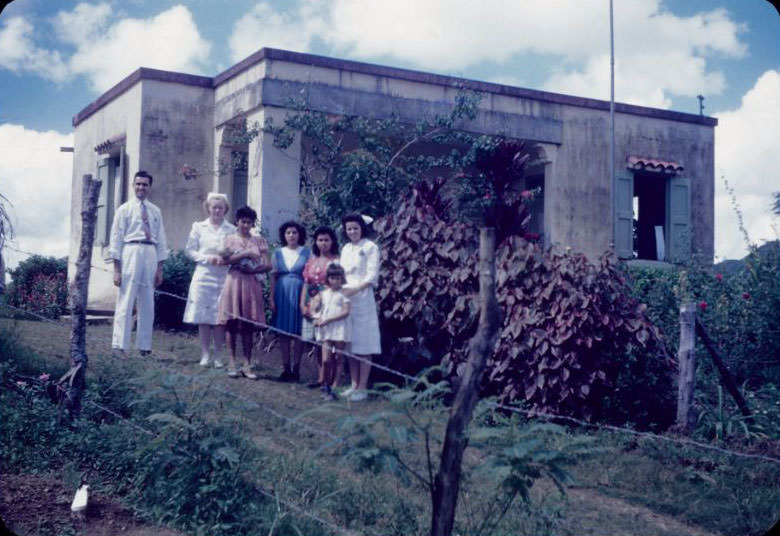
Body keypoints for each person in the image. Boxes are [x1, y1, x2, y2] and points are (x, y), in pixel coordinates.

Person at [108, 170, 168, 356]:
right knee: (126, 299)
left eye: (145, 184)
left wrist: (159, 268)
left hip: (150, 252)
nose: (141, 187)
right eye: (138, 184)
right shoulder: (124, 209)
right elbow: (116, 239)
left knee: (147, 300)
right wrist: (116, 269)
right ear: (133, 185)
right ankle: (119, 345)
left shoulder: (155, 211)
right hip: (131, 251)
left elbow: (161, 240)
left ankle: (144, 346)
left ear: (150, 187)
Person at [217, 206, 271, 379]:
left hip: (251, 283)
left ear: (253, 223)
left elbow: (268, 265)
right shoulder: (229, 239)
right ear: (237, 222)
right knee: (231, 322)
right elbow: (224, 261)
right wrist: (245, 254)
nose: (246, 225)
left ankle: (247, 364)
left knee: (248, 324)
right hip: (234, 281)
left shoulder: (259, 241)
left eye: (249, 222)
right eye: (243, 222)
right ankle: (232, 362)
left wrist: (253, 270)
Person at [182, 193, 236, 368]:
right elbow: (189, 251)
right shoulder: (199, 227)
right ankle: (205, 354)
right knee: (204, 316)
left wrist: (226, 259)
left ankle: (218, 356)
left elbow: (235, 252)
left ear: (225, 209)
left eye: (220, 207)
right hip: (204, 275)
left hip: (223, 276)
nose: (217, 210)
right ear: (208, 208)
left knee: (220, 316)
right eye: (214, 207)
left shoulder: (231, 229)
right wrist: (207, 258)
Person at [339, 213, 381, 402]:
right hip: (346, 299)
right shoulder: (346, 248)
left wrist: (354, 290)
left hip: (363, 298)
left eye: (355, 228)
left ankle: (363, 387)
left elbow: (371, 276)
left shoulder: (370, 247)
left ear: (362, 228)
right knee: (350, 343)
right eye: (349, 229)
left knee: (363, 343)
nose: (352, 232)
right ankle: (354, 384)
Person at [269, 220, 310, 382]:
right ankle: (286, 369)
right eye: (288, 233)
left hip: (301, 293)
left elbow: (310, 278)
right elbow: (273, 277)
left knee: (299, 332)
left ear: (299, 234)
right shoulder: (278, 253)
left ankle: (296, 370)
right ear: (283, 235)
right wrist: (271, 298)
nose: (291, 235)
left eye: (294, 232)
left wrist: (307, 300)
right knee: (283, 333)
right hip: (282, 294)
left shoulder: (307, 253)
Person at [299, 226, 340, 388]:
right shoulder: (312, 260)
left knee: (328, 341)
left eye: (326, 240)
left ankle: (331, 380)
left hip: (328, 303)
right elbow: (306, 283)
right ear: (315, 242)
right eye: (320, 240)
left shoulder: (336, 261)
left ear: (332, 241)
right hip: (311, 303)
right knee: (316, 342)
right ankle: (320, 378)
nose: (323, 243)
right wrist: (302, 304)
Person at [311, 264, 350, 401]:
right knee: (326, 359)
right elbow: (314, 306)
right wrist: (316, 317)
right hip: (326, 329)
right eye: (332, 278)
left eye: (338, 278)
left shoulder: (344, 294)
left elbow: (346, 312)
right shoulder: (323, 294)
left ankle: (335, 386)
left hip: (339, 329)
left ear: (342, 279)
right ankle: (326, 384)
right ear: (328, 278)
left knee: (339, 358)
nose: (335, 281)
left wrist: (329, 319)